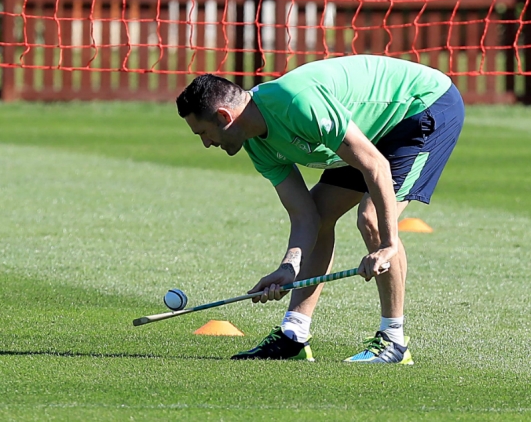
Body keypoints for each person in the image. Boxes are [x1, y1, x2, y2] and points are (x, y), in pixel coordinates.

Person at [175, 55, 464, 364]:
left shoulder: (297, 104)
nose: (206, 143)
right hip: (367, 129)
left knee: (371, 218)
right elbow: (305, 215)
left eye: (203, 133)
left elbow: (375, 164)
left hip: (422, 106)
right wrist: (288, 268)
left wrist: (389, 245)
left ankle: (393, 341)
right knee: (322, 214)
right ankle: (293, 336)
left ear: (223, 117)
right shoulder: (256, 144)